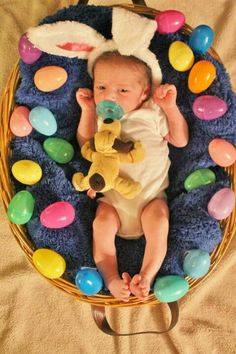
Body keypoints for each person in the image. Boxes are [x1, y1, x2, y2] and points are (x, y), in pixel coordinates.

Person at [75, 51, 189, 302]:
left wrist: (170, 108)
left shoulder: (151, 114)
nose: (109, 96)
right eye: (101, 87)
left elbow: (180, 140)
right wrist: (87, 111)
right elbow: (86, 145)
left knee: (159, 222)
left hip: (150, 197)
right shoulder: (101, 120)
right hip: (113, 201)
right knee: (101, 226)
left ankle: (146, 276)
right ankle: (112, 278)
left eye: (123, 91)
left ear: (144, 93)